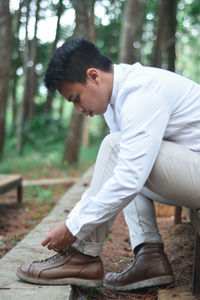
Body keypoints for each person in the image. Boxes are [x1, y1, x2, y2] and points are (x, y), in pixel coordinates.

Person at [17, 38, 200, 291]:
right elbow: (123, 175)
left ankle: (82, 256)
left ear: (93, 76)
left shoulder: (139, 92)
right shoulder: (116, 101)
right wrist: (76, 218)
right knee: (125, 153)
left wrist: (74, 227)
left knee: (118, 149)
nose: (79, 109)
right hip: (191, 170)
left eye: (76, 98)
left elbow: (128, 177)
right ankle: (150, 257)